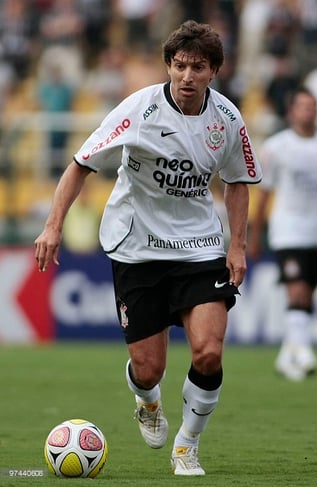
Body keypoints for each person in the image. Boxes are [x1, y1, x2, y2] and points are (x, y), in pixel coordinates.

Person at [34, 20, 262, 476]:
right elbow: (80, 165)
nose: (187, 76)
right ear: (168, 66)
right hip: (137, 246)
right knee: (149, 368)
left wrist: (237, 245)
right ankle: (147, 401)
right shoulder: (137, 110)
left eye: (198, 67)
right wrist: (53, 226)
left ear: (214, 71)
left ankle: (187, 446)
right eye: (179, 66)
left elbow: (238, 182)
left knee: (209, 352)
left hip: (198, 246)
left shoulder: (228, 120)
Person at [248, 86, 317, 381]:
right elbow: (264, 194)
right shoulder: (276, 146)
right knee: (296, 289)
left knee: (307, 292)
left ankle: (287, 354)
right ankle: (305, 350)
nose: (309, 111)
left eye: (313, 106)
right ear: (292, 111)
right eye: (303, 106)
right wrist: (255, 235)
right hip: (288, 230)